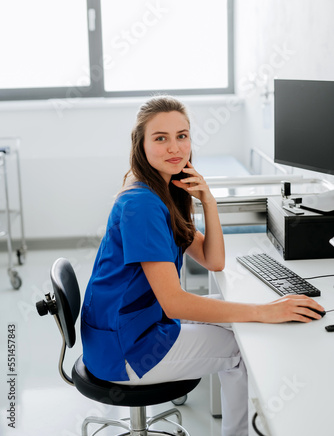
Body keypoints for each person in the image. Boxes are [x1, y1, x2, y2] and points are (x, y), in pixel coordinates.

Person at [81, 95, 325, 436]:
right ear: (141, 143)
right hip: (126, 349)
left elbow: (214, 260)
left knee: (236, 321)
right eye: (160, 138)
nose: (174, 148)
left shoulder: (160, 190)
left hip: (130, 327)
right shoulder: (143, 206)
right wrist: (263, 311)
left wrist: (207, 199)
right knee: (242, 348)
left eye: (182, 135)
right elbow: (175, 302)